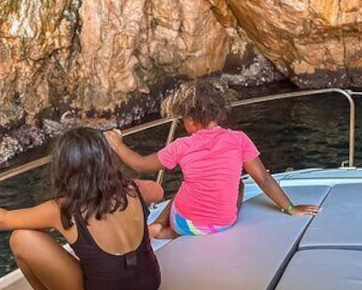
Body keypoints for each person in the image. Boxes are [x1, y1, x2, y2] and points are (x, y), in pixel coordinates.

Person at [0, 128, 163, 290]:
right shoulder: (133, 189)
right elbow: (159, 191)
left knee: (21, 238)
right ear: (107, 161)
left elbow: (2, 220)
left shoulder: (64, 208)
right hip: (150, 284)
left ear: (65, 168)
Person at [106, 79, 320, 239]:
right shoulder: (239, 139)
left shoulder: (182, 145)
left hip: (184, 224)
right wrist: (291, 208)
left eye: (183, 120)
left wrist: (116, 143)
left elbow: (139, 164)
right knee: (238, 184)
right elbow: (263, 178)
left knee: (185, 187)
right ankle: (173, 228)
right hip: (223, 224)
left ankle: (161, 226)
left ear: (190, 120)